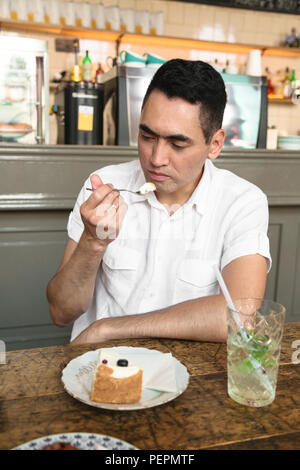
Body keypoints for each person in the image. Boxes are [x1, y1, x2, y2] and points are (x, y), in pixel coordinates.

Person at [47, 59, 271, 345]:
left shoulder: (242, 202)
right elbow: (61, 312)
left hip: (191, 374)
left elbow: (239, 316)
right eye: (147, 136)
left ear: (215, 144)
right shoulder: (104, 185)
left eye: (177, 145)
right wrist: (93, 242)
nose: (156, 159)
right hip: (100, 367)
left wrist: (109, 329)